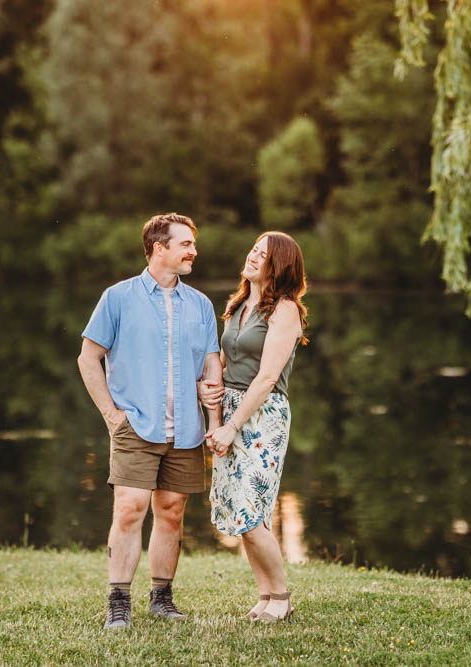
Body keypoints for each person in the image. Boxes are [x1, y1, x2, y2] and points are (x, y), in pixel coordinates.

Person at [78, 213, 223, 630]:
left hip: (187, 430)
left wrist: (212, 417)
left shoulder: (200, 304)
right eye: (185, 244)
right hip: (135, 425)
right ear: (159, 249)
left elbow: (211, 364)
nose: (193, 251)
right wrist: (111, 414)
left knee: (172, 511)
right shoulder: (117, 297)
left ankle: (162, 597)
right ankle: (118, 601)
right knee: (129, 509)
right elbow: (88, 359)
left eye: (192, 244)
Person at [201, 231, 308, 623]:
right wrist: (208, 395)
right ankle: (265, 595)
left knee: (250, 510)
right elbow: (225, 361)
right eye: (252, 249)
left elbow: (265, 379)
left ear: (277, 266)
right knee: (239, 513)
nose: (251, 256)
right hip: (230, 407)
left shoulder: (285, 310)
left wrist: (232, 426)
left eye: (261, 254)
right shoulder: (239, 303)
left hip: (262, 415)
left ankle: (281, 597)